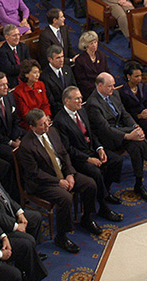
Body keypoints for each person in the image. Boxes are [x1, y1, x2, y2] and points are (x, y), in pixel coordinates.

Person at [19, 108, 102, 252]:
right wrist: (58, 182)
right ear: (31, 127)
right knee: (65, 198)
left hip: (62, 173)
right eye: (41, 125)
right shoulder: (26, 146)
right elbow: (35, 173)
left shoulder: (52, 131)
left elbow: (64, 153)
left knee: (90, 184)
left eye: (46, 122)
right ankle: (61, 236)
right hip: (42, 183)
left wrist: (69, 173)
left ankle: (86, 218)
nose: (46, 127)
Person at [86, 71, 147, 200]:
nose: (113, 88)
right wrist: (129, 135)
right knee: (135, 140)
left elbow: (124, 113)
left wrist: (135, 127)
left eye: (114, 85)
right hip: (107, 139)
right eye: (110, 86)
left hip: (121, 131)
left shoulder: (114, 94)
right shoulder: (93, 104)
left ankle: (139, 183)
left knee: (136, 144)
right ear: (100, 86)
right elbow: (106, 129)